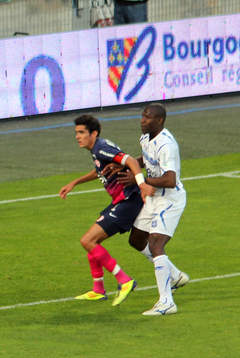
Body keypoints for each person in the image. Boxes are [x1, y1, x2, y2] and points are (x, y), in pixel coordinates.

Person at [58, 114, 144, 305]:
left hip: (129, 201)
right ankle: (98, 289)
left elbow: (131, 161)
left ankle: (125, 280)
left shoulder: (102, 147)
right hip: (120, 201)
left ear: (93, 133)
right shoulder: (97, 150)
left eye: (81, 132)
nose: (77, 136)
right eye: (76, 133)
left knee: (87, 240)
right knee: (92, 242)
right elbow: (99, 170)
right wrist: (75, 182)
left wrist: (142, 184)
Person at [128, 103, 189, 316]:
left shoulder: (167, 145)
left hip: (170, 200)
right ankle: (174, 275)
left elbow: (171, 180)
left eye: (147, 117)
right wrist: (128, 166)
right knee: (136, 239)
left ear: (160, 121)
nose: (142, 120)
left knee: (155, 243)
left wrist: (141, 179)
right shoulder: (145, 137)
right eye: (142, 116)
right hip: (154, 197)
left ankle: (166, 302)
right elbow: (146, 159)